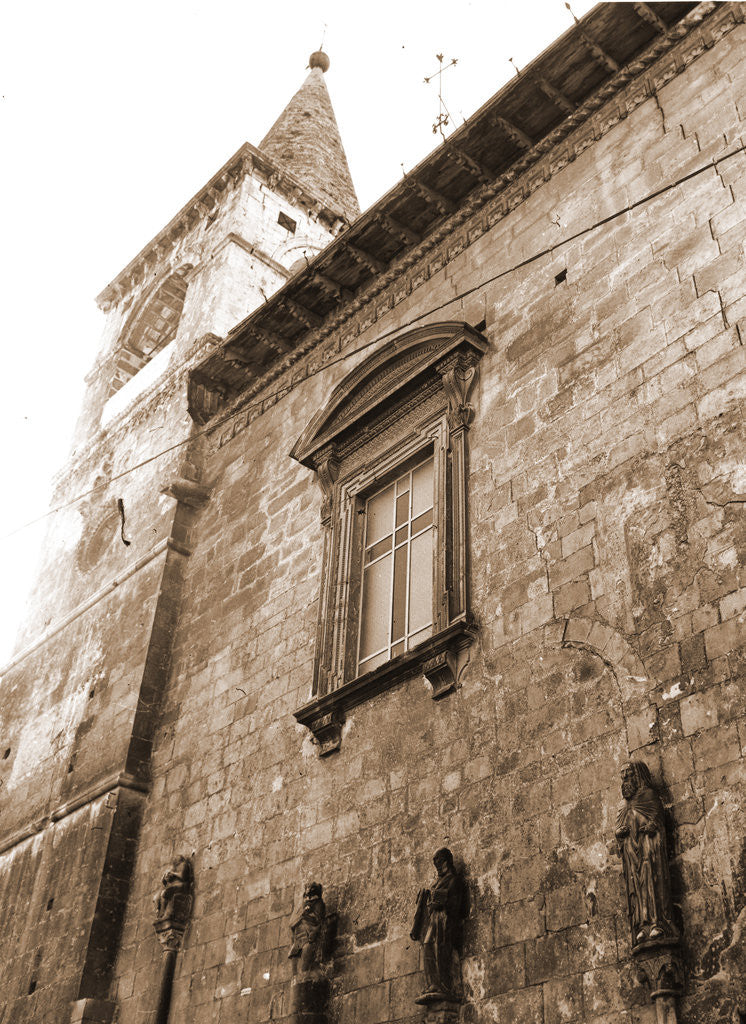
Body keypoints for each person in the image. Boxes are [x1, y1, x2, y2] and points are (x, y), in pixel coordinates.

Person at [615, 761, 678, 948]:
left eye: (629, 774)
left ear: (638, 776)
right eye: (623, 776)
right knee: (637, 887)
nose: (625, 779)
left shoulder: (649, 796)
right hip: (632, 856)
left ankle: (658, 922)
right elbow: (617, 829)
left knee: (652, 882)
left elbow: (657, 820)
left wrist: (652, 826)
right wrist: (620, 833)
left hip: (650, 851)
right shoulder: (623, 805)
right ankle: (641, 926)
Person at [411, 848, 465, 1003]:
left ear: (446, 862)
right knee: (427, 944)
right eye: (435, 864)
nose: (438, 867)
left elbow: (456, 905)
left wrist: (443, 902)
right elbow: (431, 905)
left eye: (439, 863)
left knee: (439, 948)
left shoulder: (453, 880)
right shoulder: (436, 882)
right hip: (434, 920)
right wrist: (428, 902)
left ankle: (443, 984)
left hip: (445, 921)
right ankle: (433, 983)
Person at [289, 881, 326, 972]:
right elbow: (292, 924)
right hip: (298, 941)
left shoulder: (319, 904)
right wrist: (302, 915)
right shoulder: (301, 907)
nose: (309, 899)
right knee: (295, 972)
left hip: (308, 940)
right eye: (307, 896)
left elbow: (318, 920)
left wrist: (306, 916)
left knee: (304, 969)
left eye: (312, 896)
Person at [154, 856, 192, 921]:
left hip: (182, 885)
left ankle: (163, 913)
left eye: (175, 860)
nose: (174, 861)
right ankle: (159, 911)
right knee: (157, 897)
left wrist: (173, 874)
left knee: (165, 893)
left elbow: (182, 876)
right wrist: (165, 878)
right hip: (174, 884)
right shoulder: (174, 867)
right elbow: (167, 881)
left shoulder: (183, 864)